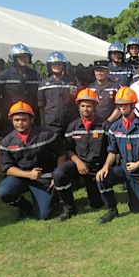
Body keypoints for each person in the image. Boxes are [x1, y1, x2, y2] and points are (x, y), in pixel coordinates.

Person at [0, 101, 63, 220]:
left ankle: (53, 197)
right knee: (3, 192)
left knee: (45, 215)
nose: (20, 123)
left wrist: (57, 176)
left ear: (31, 119)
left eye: (24, 119)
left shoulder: (46, 135)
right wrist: (29, 175)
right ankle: (24, 206)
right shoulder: (7, 142)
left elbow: (61, 154)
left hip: (44, 177)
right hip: (21, 177)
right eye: (16, 120)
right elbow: (7, 168)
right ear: (11, 120)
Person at [95, 87, 139, 224]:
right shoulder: (114, 127)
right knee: (102, 177)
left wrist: (138, 164)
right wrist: (105, 167)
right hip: (123, 168)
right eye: (120, 105)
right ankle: (111, 209)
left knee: (137, 209)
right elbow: (112, 151)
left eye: (125, 104)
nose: (122, 108)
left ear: (133, 105)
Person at [52, 88, 108, 222]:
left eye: (89, 105)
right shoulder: (73, 127)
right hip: (79, 164)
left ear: (95, 106)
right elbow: (69, 148)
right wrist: (78, 162)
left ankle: (93, 193)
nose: (85, 108)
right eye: (83, 105)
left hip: (96, 170)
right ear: (79, 107)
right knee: (59, 173)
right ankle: (69, 206)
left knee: (96, 204)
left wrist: (104, 169)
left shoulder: (105, 125)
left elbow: (112, 150)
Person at [0, 43, 41, 136]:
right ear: (13, 59)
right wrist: (6, 107)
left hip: (32, 117)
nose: (24, 59)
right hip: (10, 120)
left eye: (26, 56)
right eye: (20, 57)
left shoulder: (36, 75)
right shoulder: (4, 75)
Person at [38, 52, 79, 137]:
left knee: (71, 147)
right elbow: (42, 105)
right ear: (49, 66)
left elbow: (79, 99)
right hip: (52, 124)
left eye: (60, 64)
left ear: (64, 66)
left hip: (71, 122)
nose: (57, 66)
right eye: (54, 64)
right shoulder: (44, 84)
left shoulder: (74, 81)